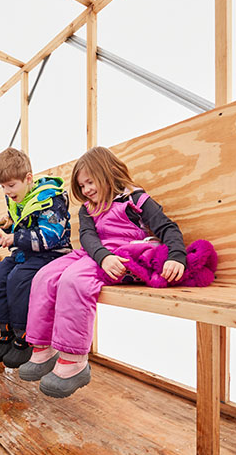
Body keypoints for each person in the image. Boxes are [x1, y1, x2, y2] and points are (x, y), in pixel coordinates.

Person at [22, 146, 187, 398]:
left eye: (90, 182)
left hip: (123, 254)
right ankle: (43, 348)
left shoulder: (136, 199)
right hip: (97, 253)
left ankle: (73, 361)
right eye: (82, 185)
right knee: (45, 276)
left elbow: (167, 227)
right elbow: (87, 236)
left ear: (109, 173)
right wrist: (102, 256)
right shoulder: (88, 208)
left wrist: (177, 256)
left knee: (73, 280)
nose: (86, 190)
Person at [0, 148, 72, 369]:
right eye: (3, 187)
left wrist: (15, 237)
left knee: (18, 279)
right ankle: (5, 333)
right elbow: (21, 219)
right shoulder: (17, 198)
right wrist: (9, 225)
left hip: (51, 254)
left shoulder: (51, 200)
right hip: (25, 252)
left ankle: (23, 336)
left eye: (11, 186)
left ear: (28, 179)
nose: (7, 191)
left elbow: (49, 237)